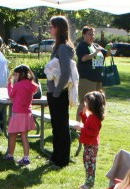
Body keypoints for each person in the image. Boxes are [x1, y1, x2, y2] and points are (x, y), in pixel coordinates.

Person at [46, 15, 76, 168]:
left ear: (58, 28)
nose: (49, 29)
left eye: (51, 27)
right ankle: (55, 156)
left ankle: (62, 159)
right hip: (54, 93)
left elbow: (65, 73)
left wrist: (57, 92)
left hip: (59, 93)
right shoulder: (58, 46)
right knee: (56, 126)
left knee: (61, 126)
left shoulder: (64, 48)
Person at [5, 64, 38, 167]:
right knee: (24, 136)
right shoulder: (32, 85)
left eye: (15, 75)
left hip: (17, 114)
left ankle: (10, 154)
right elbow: (35, 90)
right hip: (27, 114)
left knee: (12, 134)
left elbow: (11, 95)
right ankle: (26, 157)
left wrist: (9, 84)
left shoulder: (17, 85)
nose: (14, 77)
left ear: (20, 74)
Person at [75, 91, 105, 189]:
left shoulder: (94, 119)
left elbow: (93, 133)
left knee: (90, 165)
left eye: (86, 103)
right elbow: (87, 124)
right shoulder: (91, 117)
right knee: (87, 163)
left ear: (92, 104)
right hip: (88, 145)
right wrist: (83, 115)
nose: (84, 104)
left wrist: (81, 129)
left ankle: (89, 183)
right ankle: (88, 182)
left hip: (91, 146)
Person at [75, 26, 105, 117]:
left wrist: (109, 50)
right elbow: (84, 58)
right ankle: (78, 126)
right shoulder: (82, 46)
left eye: (93, 34)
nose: (92, 36)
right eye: (89, 34)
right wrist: (95, 53)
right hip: (86, 78)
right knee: (85, 102)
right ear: (83, 35)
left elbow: (105, 53)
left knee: (97, 103)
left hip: (98, 78)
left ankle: (92, 125)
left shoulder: (95, 45)